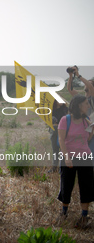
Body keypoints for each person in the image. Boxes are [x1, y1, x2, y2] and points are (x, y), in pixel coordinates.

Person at [57, 95, 94, 229]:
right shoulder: (65, 120)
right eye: (86, 104)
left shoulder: (87, 120)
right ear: (79, 106)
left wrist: (92, 128)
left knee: (86, 186)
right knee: (66, 185)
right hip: (69, 157)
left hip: (85, 157)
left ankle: (84, 216)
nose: (88, 106)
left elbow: (87, 139)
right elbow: (61, 140)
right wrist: (66, 157)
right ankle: (64, 213)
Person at [48, 101, 68, 172]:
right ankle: (54, 167)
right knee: (55, 150)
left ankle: (61, 167)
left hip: (63, 130)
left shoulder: (65, 109)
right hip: (53, 130)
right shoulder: (50, 110)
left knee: (63, 148)